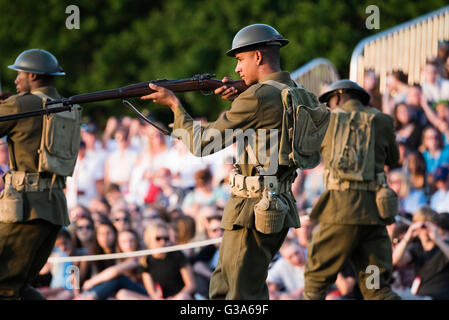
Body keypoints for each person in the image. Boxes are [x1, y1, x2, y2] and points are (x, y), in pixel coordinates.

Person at [141, 24, 304, 299]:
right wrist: (242, 96)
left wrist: (174, 107)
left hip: (252, 208)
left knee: (238, 295)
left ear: (258, 56)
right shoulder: (292, 90)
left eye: (240, 59)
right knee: (226, 288)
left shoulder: (258, 96)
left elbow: (204, 144)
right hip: (275, 203)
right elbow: (269, 130)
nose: (238, 69)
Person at [303, 79, 401, 300]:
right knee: (376, 287)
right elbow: (393, 158)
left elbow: (306, 153)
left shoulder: (327, 120)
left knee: (315, 281)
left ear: (337, 97)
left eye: (330, 101)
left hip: (340, 213)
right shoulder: (383, 120)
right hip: (375, 216)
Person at [0, 49, 80, 300]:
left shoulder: (20, 104)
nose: (16, 80)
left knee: (5, 285)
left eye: (19, 74)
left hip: (24, 208)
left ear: (33, 75)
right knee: (18, 286)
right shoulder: (67, 106)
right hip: (53, 208)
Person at [393, 208, 449, 299]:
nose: (425, 230)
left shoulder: (444, 245)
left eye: (429, 225)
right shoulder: (416, 248)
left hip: (440, 296)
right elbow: (396, 260)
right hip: (420, 295)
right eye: (422, 226)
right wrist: (408, 237)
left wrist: (437, 239)